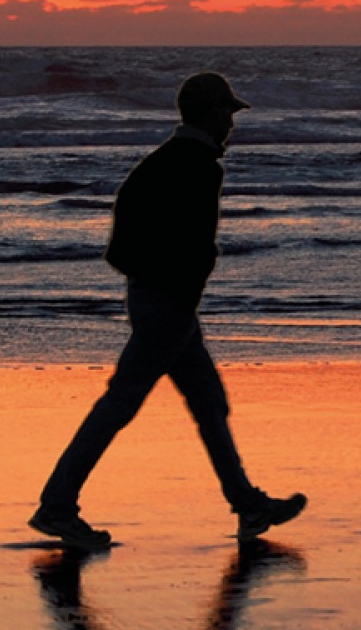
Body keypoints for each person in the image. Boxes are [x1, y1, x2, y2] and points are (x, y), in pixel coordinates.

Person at [29, 72, 307, 551]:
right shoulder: (199, 166)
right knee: (122, 404)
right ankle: (56, 504)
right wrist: (180, 289)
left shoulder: (156, 164)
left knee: (207, 404)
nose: (231, 124)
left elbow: (121, 245)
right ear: (210, 114)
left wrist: (157, 282)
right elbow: (195, 244)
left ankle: (247, 503)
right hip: (169, 306)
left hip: (159, 300)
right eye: (226, 113)